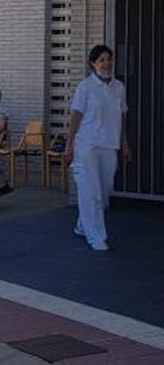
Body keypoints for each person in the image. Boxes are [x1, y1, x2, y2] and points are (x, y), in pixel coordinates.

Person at [64, 45, 131, 252]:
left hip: (109, 145)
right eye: (101, 60)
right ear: (93, 63)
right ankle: (96, 237)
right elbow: (75, 117)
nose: (106, 63)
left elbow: (121, 117)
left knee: (104, 190)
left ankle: (83, 225)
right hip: (87, 145)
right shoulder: (85, 87)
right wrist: (69, 145)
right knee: (91, 191)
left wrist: (125, 144)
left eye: (109, 59)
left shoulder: (119, 87)